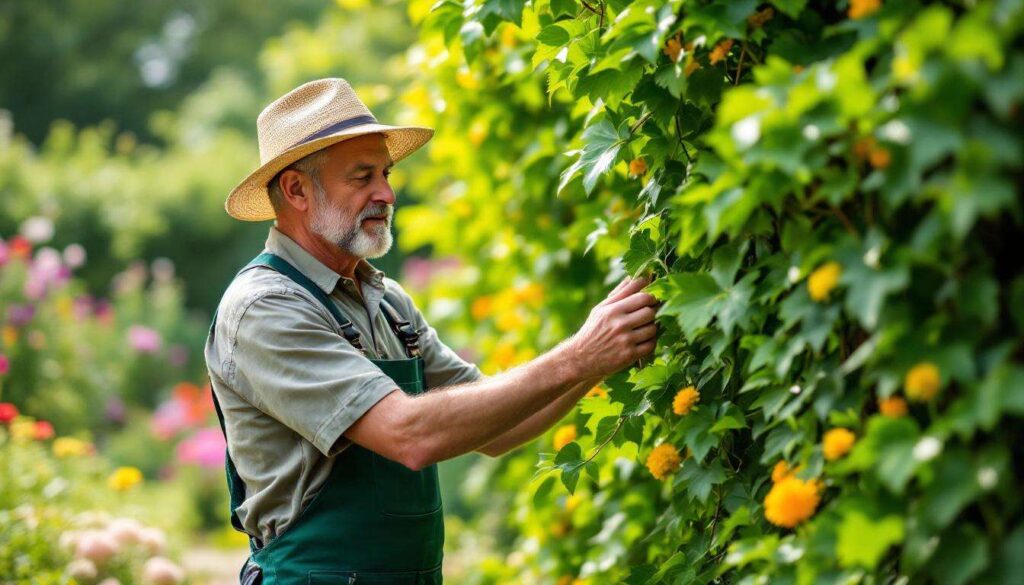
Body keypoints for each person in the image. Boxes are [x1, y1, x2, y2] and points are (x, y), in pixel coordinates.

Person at [204, 78, 658, 585]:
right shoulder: (267, 308)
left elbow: (499, 428)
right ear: (296, 190)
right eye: (362, 177)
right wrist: (578, 356)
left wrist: (605, 353)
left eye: (386, 173)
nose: (387, 193)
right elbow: (407, 434)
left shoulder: (387, 301)